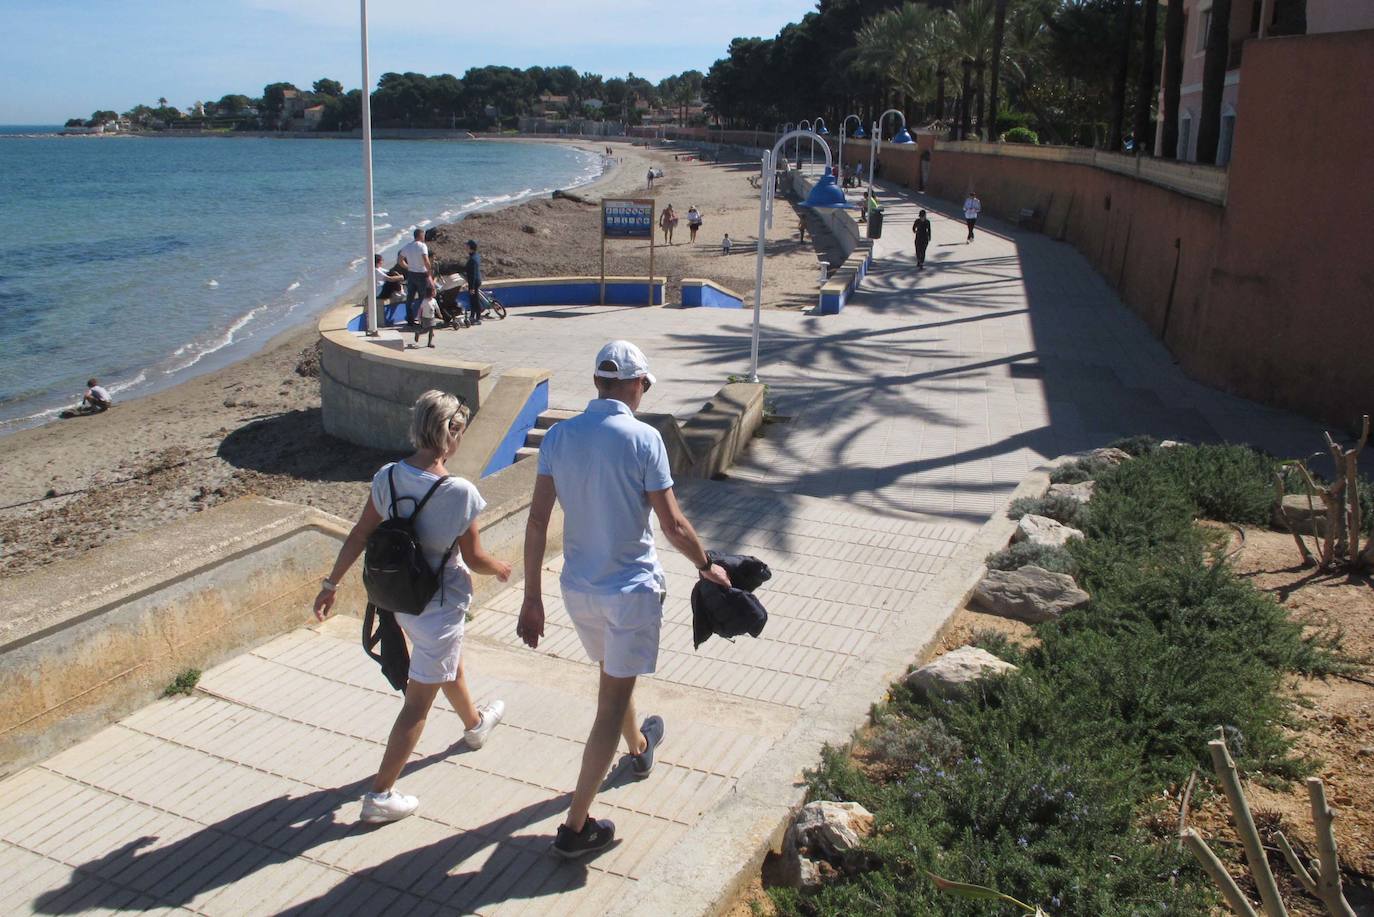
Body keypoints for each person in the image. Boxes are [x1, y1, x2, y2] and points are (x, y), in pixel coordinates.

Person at [518, 341, 730, 859]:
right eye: (644, 385)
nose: (643, 393)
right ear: (633, 384)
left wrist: (531, 599)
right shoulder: (644, 439)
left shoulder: (559, 437)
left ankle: (639, 749)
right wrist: (707, 566)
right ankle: (575, 828)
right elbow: (673, 524)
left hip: (578, 591)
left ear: (598, 383)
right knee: (609, 705)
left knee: (615, 674)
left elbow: (538, 520)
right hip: (629, 590)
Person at [313, 391, 511, 824]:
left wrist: (331, 584)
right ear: (452, 432)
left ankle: (475, 726)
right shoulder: (460, 492)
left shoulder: (386, 476)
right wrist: (500, 567)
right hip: (439, 606)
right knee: (417, 704)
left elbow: (360, 533)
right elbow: (474, 558)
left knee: (444, 663)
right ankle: (380, 795)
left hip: (400, 601)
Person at [398, 229, 433, 326]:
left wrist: (408, 267)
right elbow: (426, 261)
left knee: (410, 298)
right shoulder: (422, 246)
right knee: (424, 297)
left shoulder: (407, 246)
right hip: (421, 274)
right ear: (420, 235)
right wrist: (429, 272)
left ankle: (410, 320)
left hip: (411, 274)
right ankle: (423, 318)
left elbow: (400, 260)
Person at [409, 281, 438, 349]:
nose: (435, 292)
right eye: (434, 291)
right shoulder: (424, 301)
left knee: (431, 330)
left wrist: (439, 314)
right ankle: (418, 333)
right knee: (425, 330)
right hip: (425, 318)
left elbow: (437, 308)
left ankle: (429, 343)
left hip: (432, 317)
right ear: (431, 293)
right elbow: (420, 310)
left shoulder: (434, 300)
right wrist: (419, 318)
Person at [463, 239, 483, 327]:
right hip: (475, 281)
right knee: (473, 300)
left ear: (471, 247)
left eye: (467, 246)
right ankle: (472, 316)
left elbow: (473, 275)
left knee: (475, 300)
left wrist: (471, 287)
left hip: (474, 282)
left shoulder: (473, 259)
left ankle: (478, 318)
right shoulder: (475, 256)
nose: (466, 247)